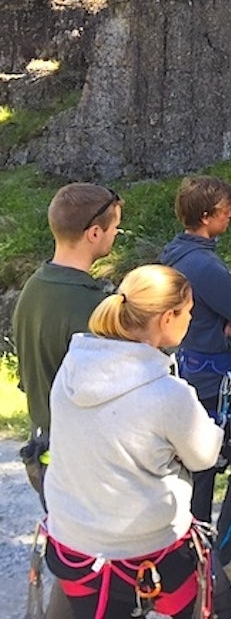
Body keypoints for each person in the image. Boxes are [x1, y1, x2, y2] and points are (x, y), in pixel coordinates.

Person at [42, 264, 231, 619]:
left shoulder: (72, 366)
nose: (191, 319)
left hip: (74, 547)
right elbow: (205, 455)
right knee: (218, 602)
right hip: (147, 552)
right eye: (188, 312)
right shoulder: (168, 393)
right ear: (166, 318)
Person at [159, 175, 231, 590]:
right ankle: (221, 560)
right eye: (226, 210)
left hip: (192, 375)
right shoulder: (205, 267)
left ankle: (198, 558)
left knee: (202, 469)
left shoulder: (174, 253)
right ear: (206, 217)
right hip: (220, 383)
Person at [12, 183, 121, 507]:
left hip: (42, 451)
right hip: (80, 463)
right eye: (115, 227)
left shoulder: (33, 287)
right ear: (94, 233)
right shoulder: (91, 307)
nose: (117, 234)